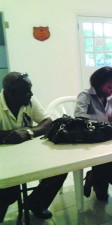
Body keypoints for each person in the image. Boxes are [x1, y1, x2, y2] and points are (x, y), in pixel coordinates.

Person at [0, 72, 67, 222]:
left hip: (30, 153)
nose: (31, 94)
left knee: (60, 169)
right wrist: (11, 135)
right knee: (8, 190)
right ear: (11, 92)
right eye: (26, 91)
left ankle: (36, 203)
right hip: (4, 159)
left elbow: (47, 122)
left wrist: (29, 132)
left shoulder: (29, 101)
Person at [74, 66, 112, 201]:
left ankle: (95, 177)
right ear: (98, 83)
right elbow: (79, 118)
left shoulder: (108, 97)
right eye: (109, 87)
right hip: (90, 139)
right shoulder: (85, 96)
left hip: (105, 137)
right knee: (106, 155)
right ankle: (98, 182)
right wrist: (105, 119)